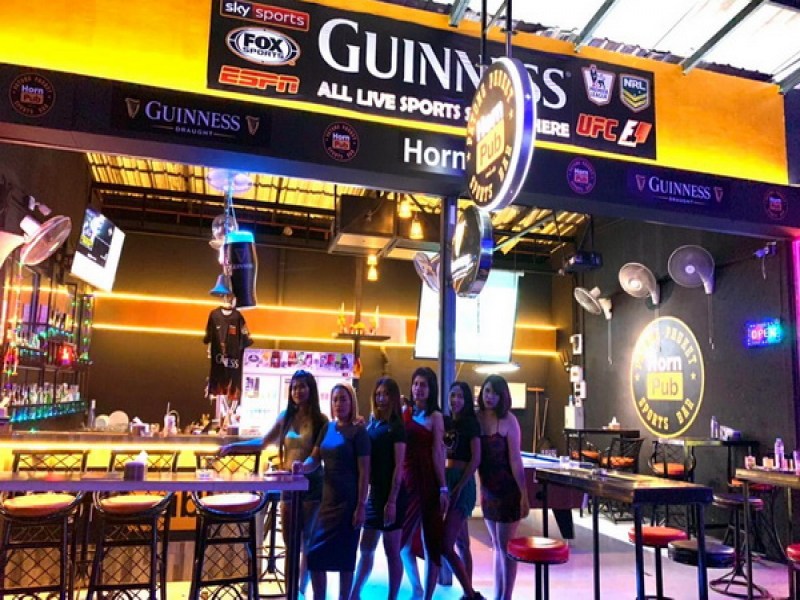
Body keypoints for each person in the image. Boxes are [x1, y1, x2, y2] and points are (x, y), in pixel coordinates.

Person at [219, 369, 328, 595]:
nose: (298, 391)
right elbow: (263, 442)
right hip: (288, 487)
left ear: (311, 389)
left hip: (312, 486)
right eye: (294, 387)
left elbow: (316, 458)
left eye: (302, 386)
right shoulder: (285, 417)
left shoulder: (321, 420)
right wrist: (234, 446)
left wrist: (302, 469)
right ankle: (291, 594)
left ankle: (301, 589)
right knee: (290, 544)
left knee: (308, 544)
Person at [304, 382, 370, 600]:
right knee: (314, 556)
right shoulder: (328, 428)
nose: (339, 403)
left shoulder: (359, 432)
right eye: (335, 399)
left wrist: (361, 506)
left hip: (348, 504)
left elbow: (365, 472)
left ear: (352, 402)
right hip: (327, 503)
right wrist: (300, 467)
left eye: (343, 399)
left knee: (345, 560)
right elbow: (314, 459)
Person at [351, 377, 407, 600]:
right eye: (378, 394)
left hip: (392, 494)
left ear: (394, 397)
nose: (381, 398)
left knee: (391, 550)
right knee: (366, 547)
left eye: (386, 394)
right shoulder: (373, 425)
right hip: (374, 494)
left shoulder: (397, 427)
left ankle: (392, 597)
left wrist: (392, 500)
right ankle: (354, 594)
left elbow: (399, 466)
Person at [477, 374, 530, 600]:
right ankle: (498, 595)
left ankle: (505, 596)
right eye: (487, 391)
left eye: (495, 393)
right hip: (488, 491)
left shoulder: (509, 421)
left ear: (503, 397)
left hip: (508, 490)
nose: (490, 396)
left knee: (506, 547)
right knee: (497, 546)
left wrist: (524, 494)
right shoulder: (476, 418)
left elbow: (515, 460)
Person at [400, 367, 447, 600]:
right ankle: (416, 588)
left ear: (431, 389)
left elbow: (438, 452)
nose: (418, 388)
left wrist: (443, 486)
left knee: (431, 542)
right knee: (402, 543)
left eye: (424, 385)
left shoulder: (435, 417)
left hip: (426, 482)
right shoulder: (405, 412)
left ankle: (426, 595)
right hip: (406, 482)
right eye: (416, 383)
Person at [443, 381, 484, 600]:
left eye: (460, 396)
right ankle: (468, 593)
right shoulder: (448, 422)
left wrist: (459, 486)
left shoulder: (471, 423)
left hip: (463, 482)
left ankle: (471, 594)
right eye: (452, 395)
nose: (455, 400)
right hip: (448, 479)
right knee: (462, 543)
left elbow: (476, 458)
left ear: (467, 400)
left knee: (446, 544)